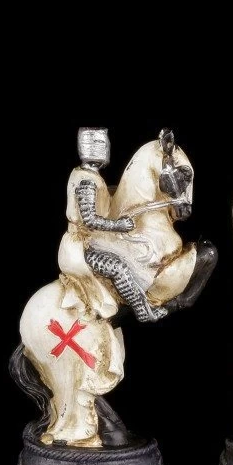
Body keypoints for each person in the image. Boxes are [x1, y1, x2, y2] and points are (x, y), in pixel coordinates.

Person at [57, 127, 165, 323]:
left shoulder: (89, 174)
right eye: (101, 145)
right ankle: (142, 311)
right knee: (118, 267)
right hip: (82, 247)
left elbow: (102, 199)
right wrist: (119, 225)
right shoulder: (86, 181)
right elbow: (89, 220)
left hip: (90, 240)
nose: (105, 148)